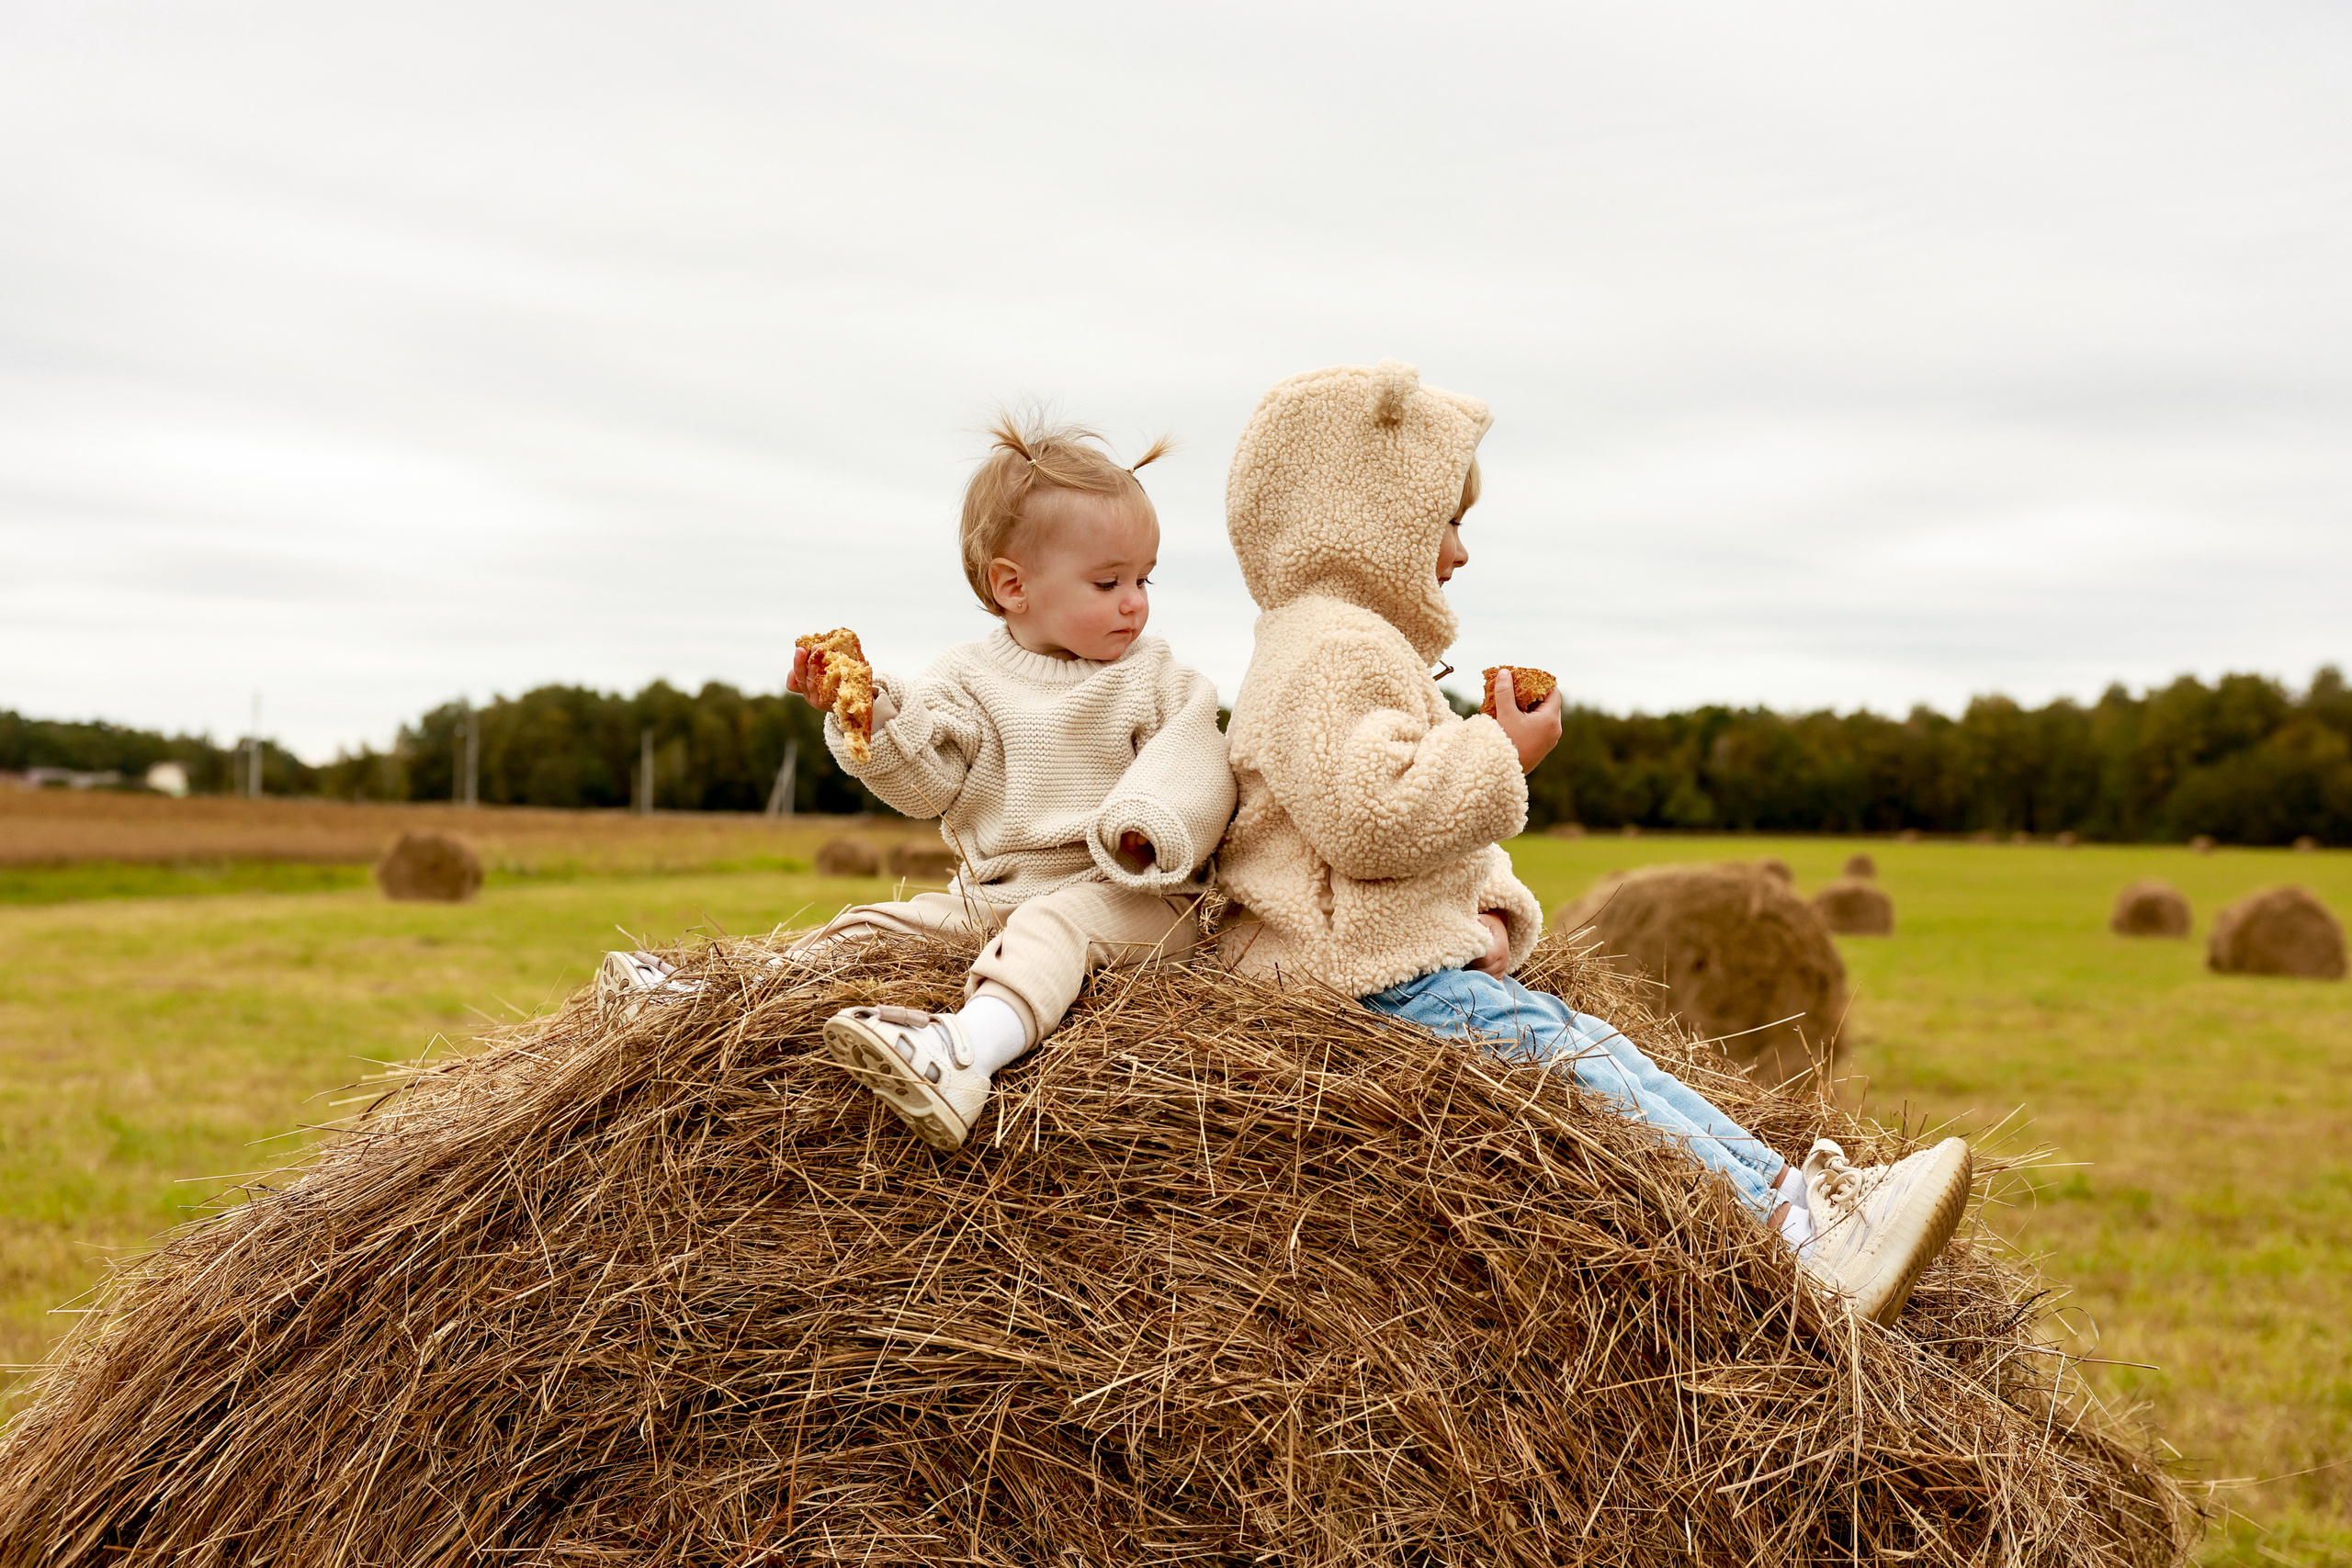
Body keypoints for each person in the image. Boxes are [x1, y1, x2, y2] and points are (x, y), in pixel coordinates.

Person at [1212, 360, 1971, 1325]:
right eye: (1443, 521)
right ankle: (1792, 1237)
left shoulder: (1341, 648)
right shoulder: (1328, 650)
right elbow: (1371, 819)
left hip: (1391, 973)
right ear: (1365, 518)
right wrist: (1501, 753)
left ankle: (1793, 1199)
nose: (1458, 552)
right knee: (1579, 1069)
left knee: (1597, 1049)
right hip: (1361, 990)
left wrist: (1480, 910)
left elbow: (1383, 838)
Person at [604, 417, 1236, 1152]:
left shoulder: (1157, 678)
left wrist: (1146, 823)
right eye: (1109, 582)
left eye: (1143, 578)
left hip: (1138, 901)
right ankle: (710, 1001)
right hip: (995, 898)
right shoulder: (966, 681)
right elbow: (929, 785)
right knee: (873, 925)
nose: (1135, 601)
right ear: (1012, 586)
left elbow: (1196, 763)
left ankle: (963, 1052)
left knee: (1053, 927)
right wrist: (868, 715)